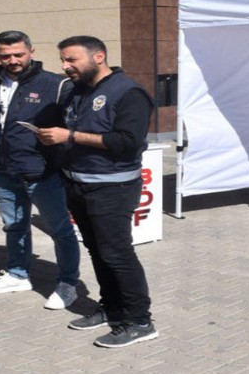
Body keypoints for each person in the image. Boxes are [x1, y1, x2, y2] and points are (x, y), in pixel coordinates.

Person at [36, 35, 159, 348]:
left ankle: (139, 321)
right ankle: (112, 308)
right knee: (97, 250)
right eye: (63, 60)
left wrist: (71, 136)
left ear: (99, 56)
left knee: (117, 254)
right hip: (78, 184)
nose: (66, 66)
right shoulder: (76, 90)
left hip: (112, 187)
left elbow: (127, 142)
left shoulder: (129, 93)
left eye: (72, 60)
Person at [0, 30, 81, 310]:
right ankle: (17, 275)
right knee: (14, 226)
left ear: (31, 52)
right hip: (3, 169)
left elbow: (75, 124)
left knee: (60, 230)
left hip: (43, 171)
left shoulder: (56, 84)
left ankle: (68, 284)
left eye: (18, 54)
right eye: (5, 55)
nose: (12, 60)